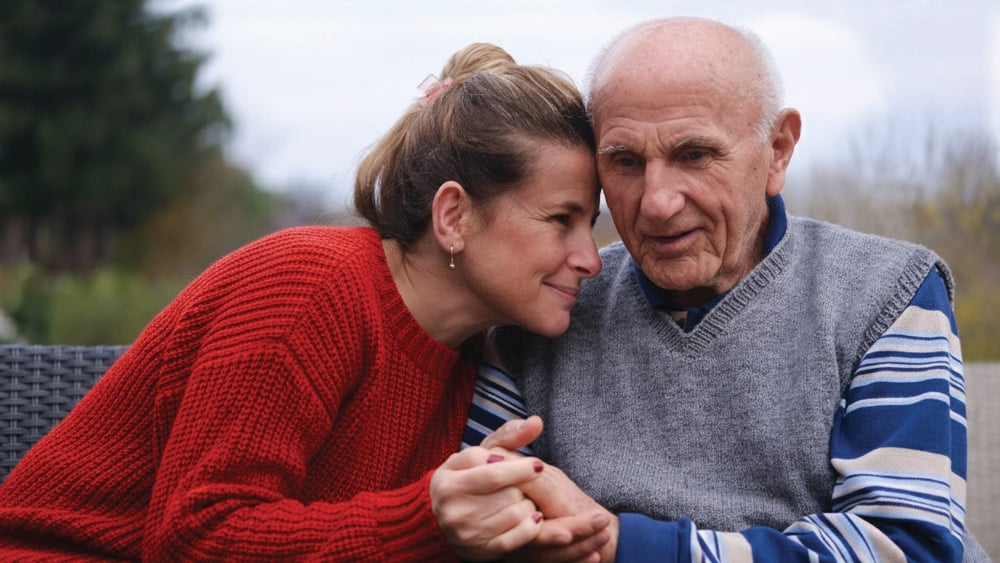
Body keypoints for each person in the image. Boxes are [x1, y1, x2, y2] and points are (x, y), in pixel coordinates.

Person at [0, 42, 610, 561]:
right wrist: (425, 521)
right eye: (561, 219)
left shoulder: (469, 356)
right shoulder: (308, 289)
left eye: (591, 223)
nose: (589, 257)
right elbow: (195, 539)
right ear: (454, 216)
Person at [466, 17, 991, 562]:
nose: (657, 203)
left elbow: (906, 547)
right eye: (625, 161)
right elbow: (489, 509)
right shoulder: (551, 306)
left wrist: (624, 547)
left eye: (694, 155)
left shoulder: (886, 293)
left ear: (778, 150)